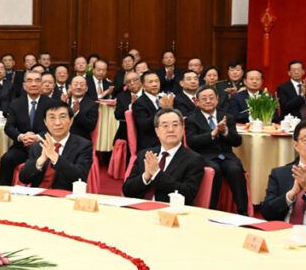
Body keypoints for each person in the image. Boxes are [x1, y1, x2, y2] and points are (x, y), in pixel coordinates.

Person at [184, 86, 248, 215]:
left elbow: (237, 142)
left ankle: (243, 211)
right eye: (204, 98)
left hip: (226, 156)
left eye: (211, 98)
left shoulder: (227, 116)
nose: (208, 101)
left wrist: (225, 131)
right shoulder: (191, 119)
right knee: (215, 170)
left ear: (217, 99)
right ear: (197, 102)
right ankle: (211, 209)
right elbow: (191, 142)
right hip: (204, 156)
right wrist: (212, 133)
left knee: (235, 169)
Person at [122, 107, 204, 205]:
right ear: (157, 131)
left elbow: (188, 195)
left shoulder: (194, 159)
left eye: (175, 125)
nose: (170, 130)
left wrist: (157, 174)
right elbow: (127, 190)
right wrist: (146, 176)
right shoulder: (146, 154)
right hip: (139, 209)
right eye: (165, 126)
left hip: (168, 210)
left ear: (183, 129)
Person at [0, 70, 55, 185]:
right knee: (6, 159)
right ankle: (5, 189)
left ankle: (36, 191)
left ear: (42, 84)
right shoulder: (16, 103)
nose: (33, 84)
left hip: (42, 147)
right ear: (24, 85)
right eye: (29, 81)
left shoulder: (51, 104)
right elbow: (9, 127)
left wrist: (37, 137)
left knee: (40, 163)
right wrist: (21, 136)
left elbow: (53, 128)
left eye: (37, 81)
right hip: (21, 147)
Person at [18, 104, 93, 189]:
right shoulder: (38, 145)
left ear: (71, 120)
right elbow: (23, 178)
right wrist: (41, 160)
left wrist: (55, 157)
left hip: (64, 195)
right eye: (52, 118)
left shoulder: (83, 145)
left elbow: (81, 178)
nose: (57, 123)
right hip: (38, 194)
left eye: (62, 117)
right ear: (45, 122)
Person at [260, 121, 306, 222]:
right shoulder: (279, 174)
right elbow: (267, 213)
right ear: (296, 145)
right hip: (284, 229)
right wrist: (290, 195)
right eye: (305, 140)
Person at [131, 71, 174, 151]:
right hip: (151, 144)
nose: (154, 84)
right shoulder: (139, 103)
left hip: (167, 139)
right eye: (150, 82)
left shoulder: (162, 99)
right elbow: (145, 126)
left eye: (157, 81)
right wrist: (161, 109)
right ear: (143, 86)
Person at [61, 74, 98, 142]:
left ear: (86, 88)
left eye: (82, 85)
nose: (78, 87)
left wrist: (77, 113)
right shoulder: (64, 101)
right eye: (75, 84)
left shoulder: (92, 104)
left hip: (81, 142)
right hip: (61, 139)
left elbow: (91, 126)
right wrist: (62, 105)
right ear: (70, 87)